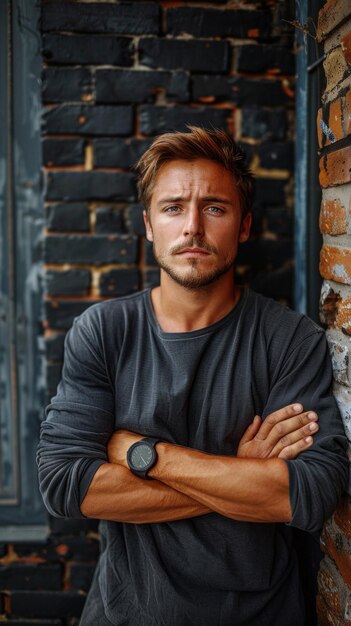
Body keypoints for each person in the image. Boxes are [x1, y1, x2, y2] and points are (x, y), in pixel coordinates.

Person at [37, 127, 348, 626]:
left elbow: (308, 493)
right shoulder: (105, 331)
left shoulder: (290, 339)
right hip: (128, 614)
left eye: (215, 208)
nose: (193, 228)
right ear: (148, 224)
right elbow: (66, 485)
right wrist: (239, 473)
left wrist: (143, 453)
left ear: (244, 226)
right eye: (173, 207)